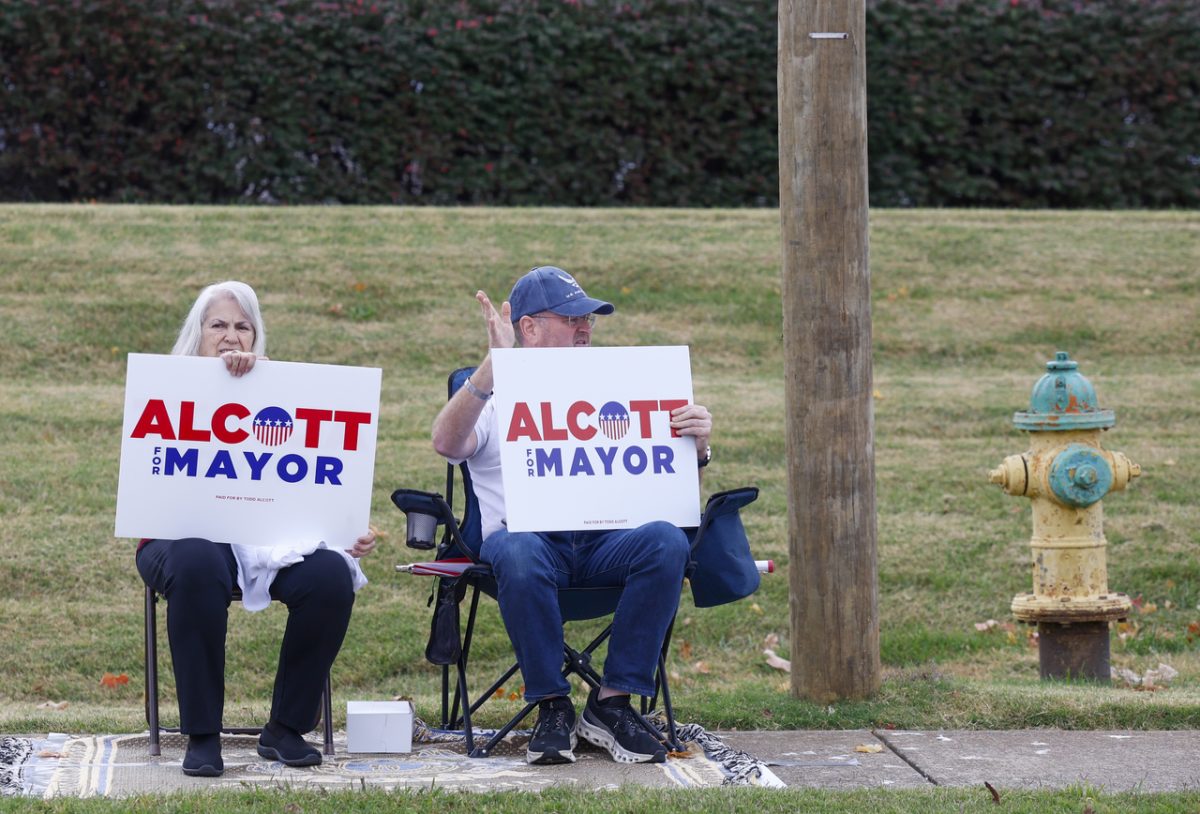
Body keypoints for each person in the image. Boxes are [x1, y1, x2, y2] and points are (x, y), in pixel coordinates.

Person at [431, 266, 713, 766]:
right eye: (570, 318)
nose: (585, 328)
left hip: (606, 543)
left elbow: (668, 487)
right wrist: (491, 369)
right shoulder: (492, 396)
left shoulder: (622, 388)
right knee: (517, 548)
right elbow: (446, 444)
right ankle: (551, 705)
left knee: (668, 541)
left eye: (590, 319)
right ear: (529, 328)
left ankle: (612, 703)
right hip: (527, 547)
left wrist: (698, 444)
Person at [135, 280, 377, 778]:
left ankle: (286, 729)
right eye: (218, 325)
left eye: (242, 327)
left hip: (266, 536)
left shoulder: (282, 391)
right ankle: (202, 736)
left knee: (331, 574)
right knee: (198, 562)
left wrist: (346, 529)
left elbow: (313, 477)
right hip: (179, 541)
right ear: (198, 334)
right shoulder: (167, 384)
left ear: (256, 334)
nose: (231, 337)